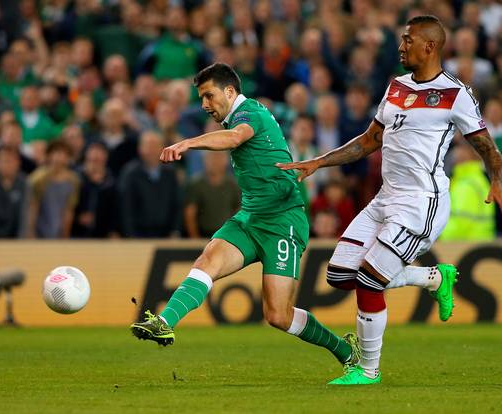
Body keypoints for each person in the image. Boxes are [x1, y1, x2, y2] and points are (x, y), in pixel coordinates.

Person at [278, 15, 502, 385]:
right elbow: (368, 141)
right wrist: (319, 162)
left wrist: (496, 181)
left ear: (430, 47)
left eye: (408, 40)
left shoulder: (455, 94)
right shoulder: (396, 86)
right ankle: (432, 278)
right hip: (385, 198)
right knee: (339, 275)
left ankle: (367, 370)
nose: (401, 47)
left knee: (370, 282)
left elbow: (486, 146)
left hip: (422, 202)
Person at [131, 63, 361, 376]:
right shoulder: (239, 116)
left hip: (283, 220)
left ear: (230, 91)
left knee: (278, 315)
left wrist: (188, 142)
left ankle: (344, 349)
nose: (205, 104)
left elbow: (236, 138)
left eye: (209, 96)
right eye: (201, 98)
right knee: (206, 262)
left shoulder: (250, 113)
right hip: (250, 218)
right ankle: (164, 322)